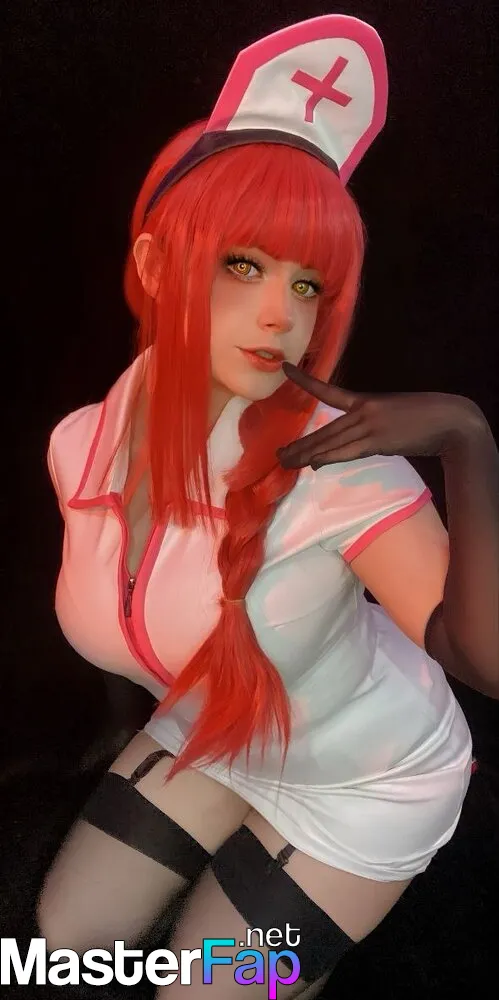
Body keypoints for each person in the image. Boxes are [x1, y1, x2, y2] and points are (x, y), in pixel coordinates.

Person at [37, 14, 498, 998]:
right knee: (64, 940)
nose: (280, 314)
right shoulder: (78, 446)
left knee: (202, 988)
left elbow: (487, 663)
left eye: (307, 281)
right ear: (157, 266)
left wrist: (466, 442)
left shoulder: (345, 473)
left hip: (365, 781)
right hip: (214, 734)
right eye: (241, 264)